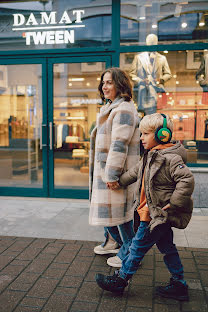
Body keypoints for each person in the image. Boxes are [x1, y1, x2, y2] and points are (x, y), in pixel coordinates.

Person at [96, 113, 195, 301]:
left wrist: (173, 203)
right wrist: (119, 181)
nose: (141, 138)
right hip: (154, 214)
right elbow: (135, 171)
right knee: (168, 248)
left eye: (145, 134)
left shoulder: (171, 159)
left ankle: (121, 280)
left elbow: (186, 180)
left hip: (155, 215)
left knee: (137, 247)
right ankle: (179, 283)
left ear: (162, 135)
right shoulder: (150, 155)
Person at [89, 67, 140, 268]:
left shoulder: (124, 109)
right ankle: (113, 242)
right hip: (107, 171)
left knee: (121, 215)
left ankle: (129, 252)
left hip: (116, 173)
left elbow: (119, 145)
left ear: (120, 84)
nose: (104, 86)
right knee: (111, 212)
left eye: (109, 82)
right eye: (103, 82)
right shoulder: (111, 107)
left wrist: (112, 176)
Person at [129, 34, 172, 114]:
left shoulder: (162, 58)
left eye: (153, 42)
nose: (151, 44)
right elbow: (131, 74)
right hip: (141, 92)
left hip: (157, 90)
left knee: (155, 114)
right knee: (142, 114)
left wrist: (161, 80)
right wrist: (141, 81)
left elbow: (168, 74)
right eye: (150, 42)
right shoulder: (139, 57)